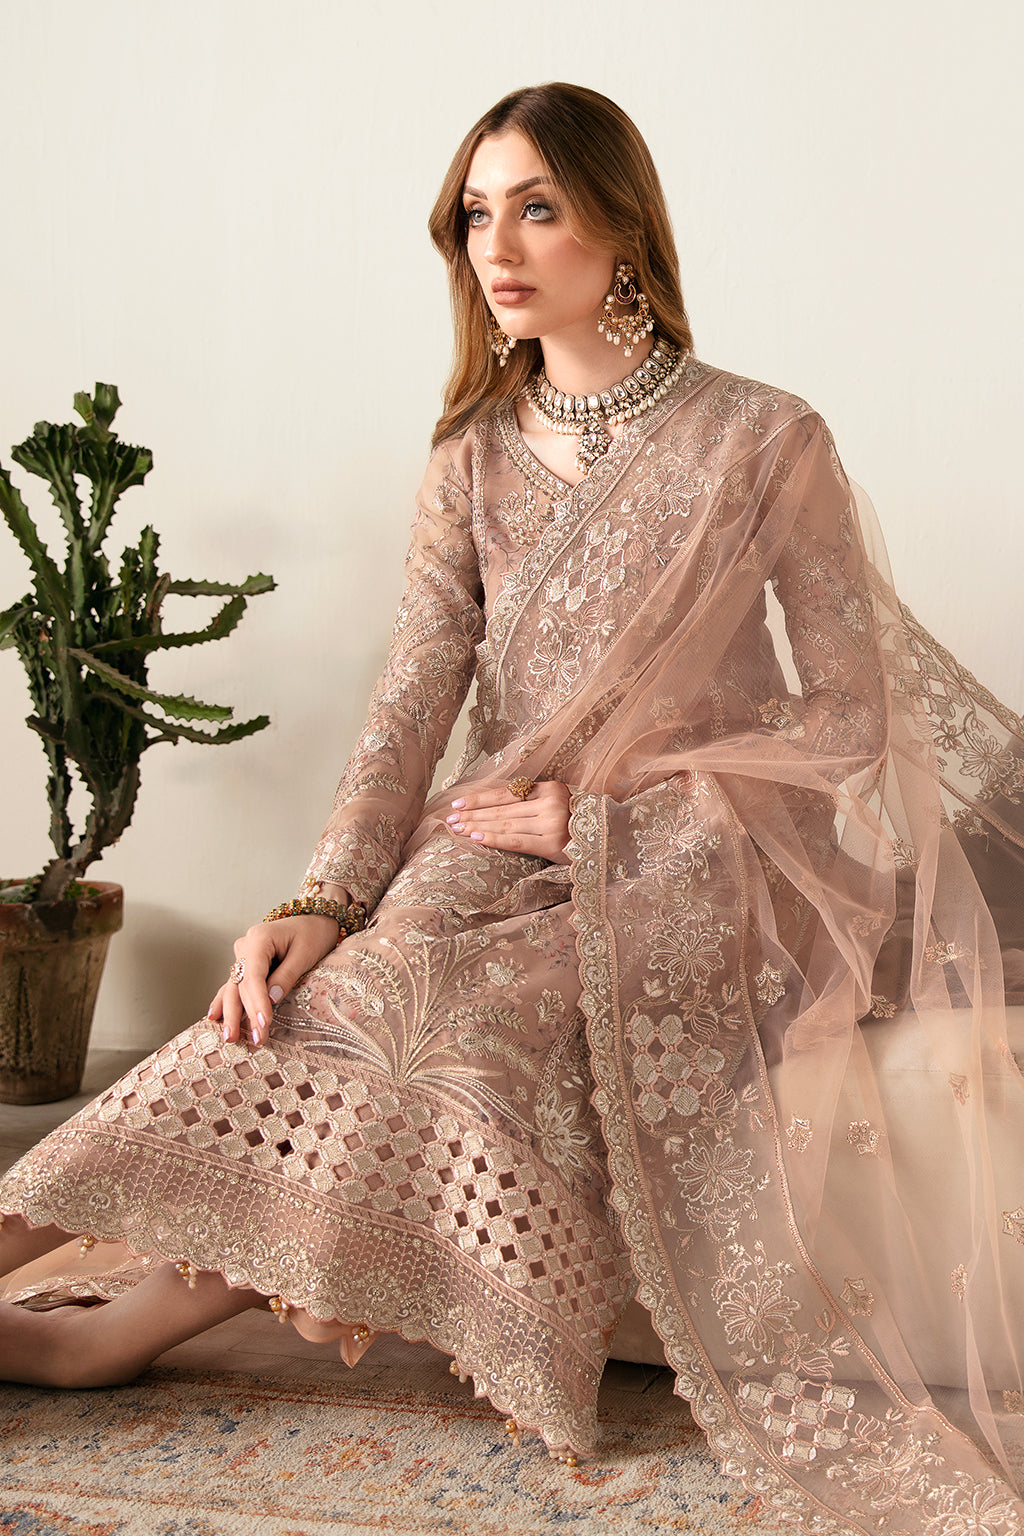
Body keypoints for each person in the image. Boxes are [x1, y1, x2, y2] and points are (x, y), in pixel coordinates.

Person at [2, 82, 1024, 1531]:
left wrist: (612, 818)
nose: (497, 246)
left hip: (703, 863)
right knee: (302, 1003)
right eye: (475, 214)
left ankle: (115, 1333)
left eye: (537, 207)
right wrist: (322, 899)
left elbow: (848, 720)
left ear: (624, 227)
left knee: (448, 1032)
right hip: (489, 842)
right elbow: (412, 699)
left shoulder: (761, 438)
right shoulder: (471, 454)